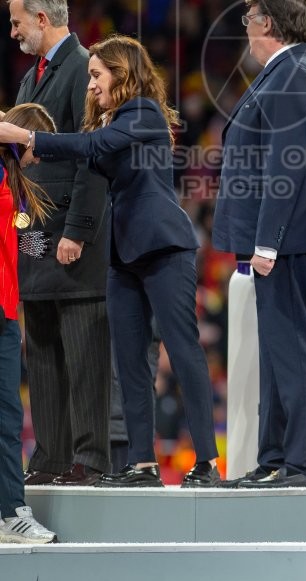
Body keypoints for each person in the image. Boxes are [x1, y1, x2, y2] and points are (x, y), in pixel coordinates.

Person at [0, 35, 219, 488]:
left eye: (97, 75)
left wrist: (30, 136)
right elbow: (87, 159)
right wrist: (34, 150)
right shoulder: (112, 122)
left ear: (122, 74)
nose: (90, 84)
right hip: (122, 257)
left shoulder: (143, 113)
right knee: (130, 361)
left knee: (182, 350)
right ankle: (142, 464)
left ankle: (207, 462)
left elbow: (92, 145)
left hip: (164, 250)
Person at [212, 0, 306, 488]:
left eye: (248, 19)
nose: (245, 28)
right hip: (298, 238)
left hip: (294, 241)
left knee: (294, 350)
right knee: (279, 351)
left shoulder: (293, 75)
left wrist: (267, 242)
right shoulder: (295, 71)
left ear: (267, 22)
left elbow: (285, 165)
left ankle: (305, 465)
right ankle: (275, 459)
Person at [8, 0, 111, 486]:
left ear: (41, 19)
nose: (13, 33)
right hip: (33, 236)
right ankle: (50, 458)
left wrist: (78, 230)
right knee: (43, 347)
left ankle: (90, 459)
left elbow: (94, 156)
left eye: (16, 22)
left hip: (69, 238)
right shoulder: (30, 80)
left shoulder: (83, 69)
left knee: (84, 350)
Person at [0, 103, 57, 542]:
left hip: (5, 314)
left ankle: (10, 513)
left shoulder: (17, 185)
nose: (39, 158)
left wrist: (63, 241)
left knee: (7, 416)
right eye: (37, 147)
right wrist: (20, 134)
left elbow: (25, 245)